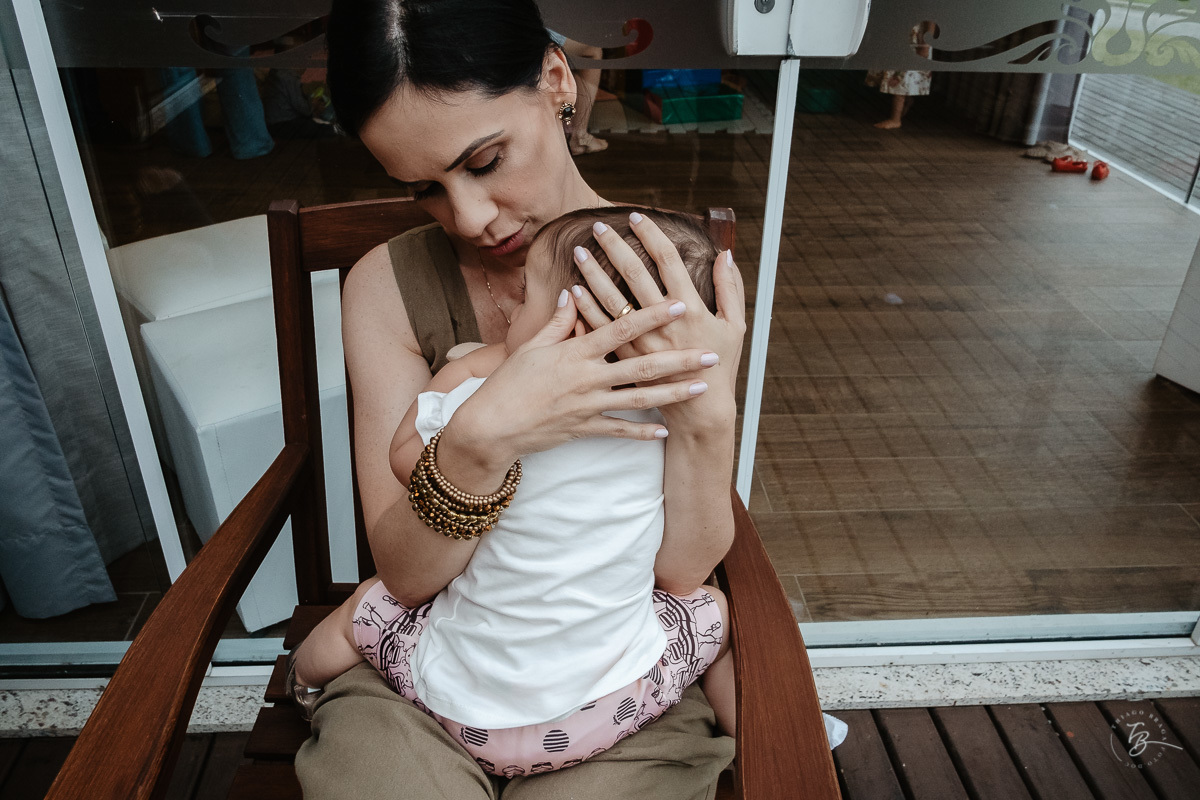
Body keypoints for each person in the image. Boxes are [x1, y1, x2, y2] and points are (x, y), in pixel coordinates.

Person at [298, 1, 746, 797]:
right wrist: (482, 439)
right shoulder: (385, 290)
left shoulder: (669, 279)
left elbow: (682, 569)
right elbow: (406, 576)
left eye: (484, 160)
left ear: (555, 79)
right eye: (422, 190)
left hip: (618, 669)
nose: (468, 219)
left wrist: (709, 417)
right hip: (436, 658)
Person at [290, 208, 735, 778]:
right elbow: (681, 577)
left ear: (566, 324)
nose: (511, 317)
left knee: (371, 608)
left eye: (526, 299)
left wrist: (484, 371)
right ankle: (763, 732)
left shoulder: (482, 396)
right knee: (713, 611)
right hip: (608, 712)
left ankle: (302, 680)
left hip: (457, 711)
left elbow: (403, 458)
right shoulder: (666, 422)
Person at [866, 21, 938, 130]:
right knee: (902, 75)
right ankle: (905, 104)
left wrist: (925, 44)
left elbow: (931, 18)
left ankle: (895, 119)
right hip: (904, 33)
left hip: (915, 39)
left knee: (902, 78)